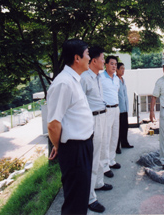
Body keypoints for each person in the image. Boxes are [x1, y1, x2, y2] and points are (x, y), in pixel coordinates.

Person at [47, 39, 94, 215]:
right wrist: (60, 147)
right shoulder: (63, 83)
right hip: (74, 149)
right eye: (87, 54)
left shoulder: (74, 80)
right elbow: (53, 124)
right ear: (77, 58)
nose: (89, 58)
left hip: (82, 146)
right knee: (75, 202)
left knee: (81, 198)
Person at [80, 46, 111, 213]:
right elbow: (80, 105)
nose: (104, 61)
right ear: (93, 61)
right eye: (102, 58)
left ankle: (98, 183)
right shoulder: (84, 78)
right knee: (92, 159)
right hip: (92, 120)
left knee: (101, 154)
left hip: (102, 116)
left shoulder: (97, 77)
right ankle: (90, 198)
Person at [99, 55, 121, 178]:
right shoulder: (100, 77)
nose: (114, 66)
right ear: (106, 64)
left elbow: (115, 93)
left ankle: (112, 160)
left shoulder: (116, 79)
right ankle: (104, 166)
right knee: (105, 138)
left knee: (114, 136)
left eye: (115, 64)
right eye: (111, 64)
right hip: (106, 110)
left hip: (116, 108)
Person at [116, 62, 134, 154]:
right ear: (117, 69)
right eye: (121, 68)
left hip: (125, 108)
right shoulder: (115, 80)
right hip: (118, 108)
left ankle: (124, 143)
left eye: (124, 68)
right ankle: (116, 146)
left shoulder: (123, 80)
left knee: (124, 127)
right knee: (118, 128)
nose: (123, 70)